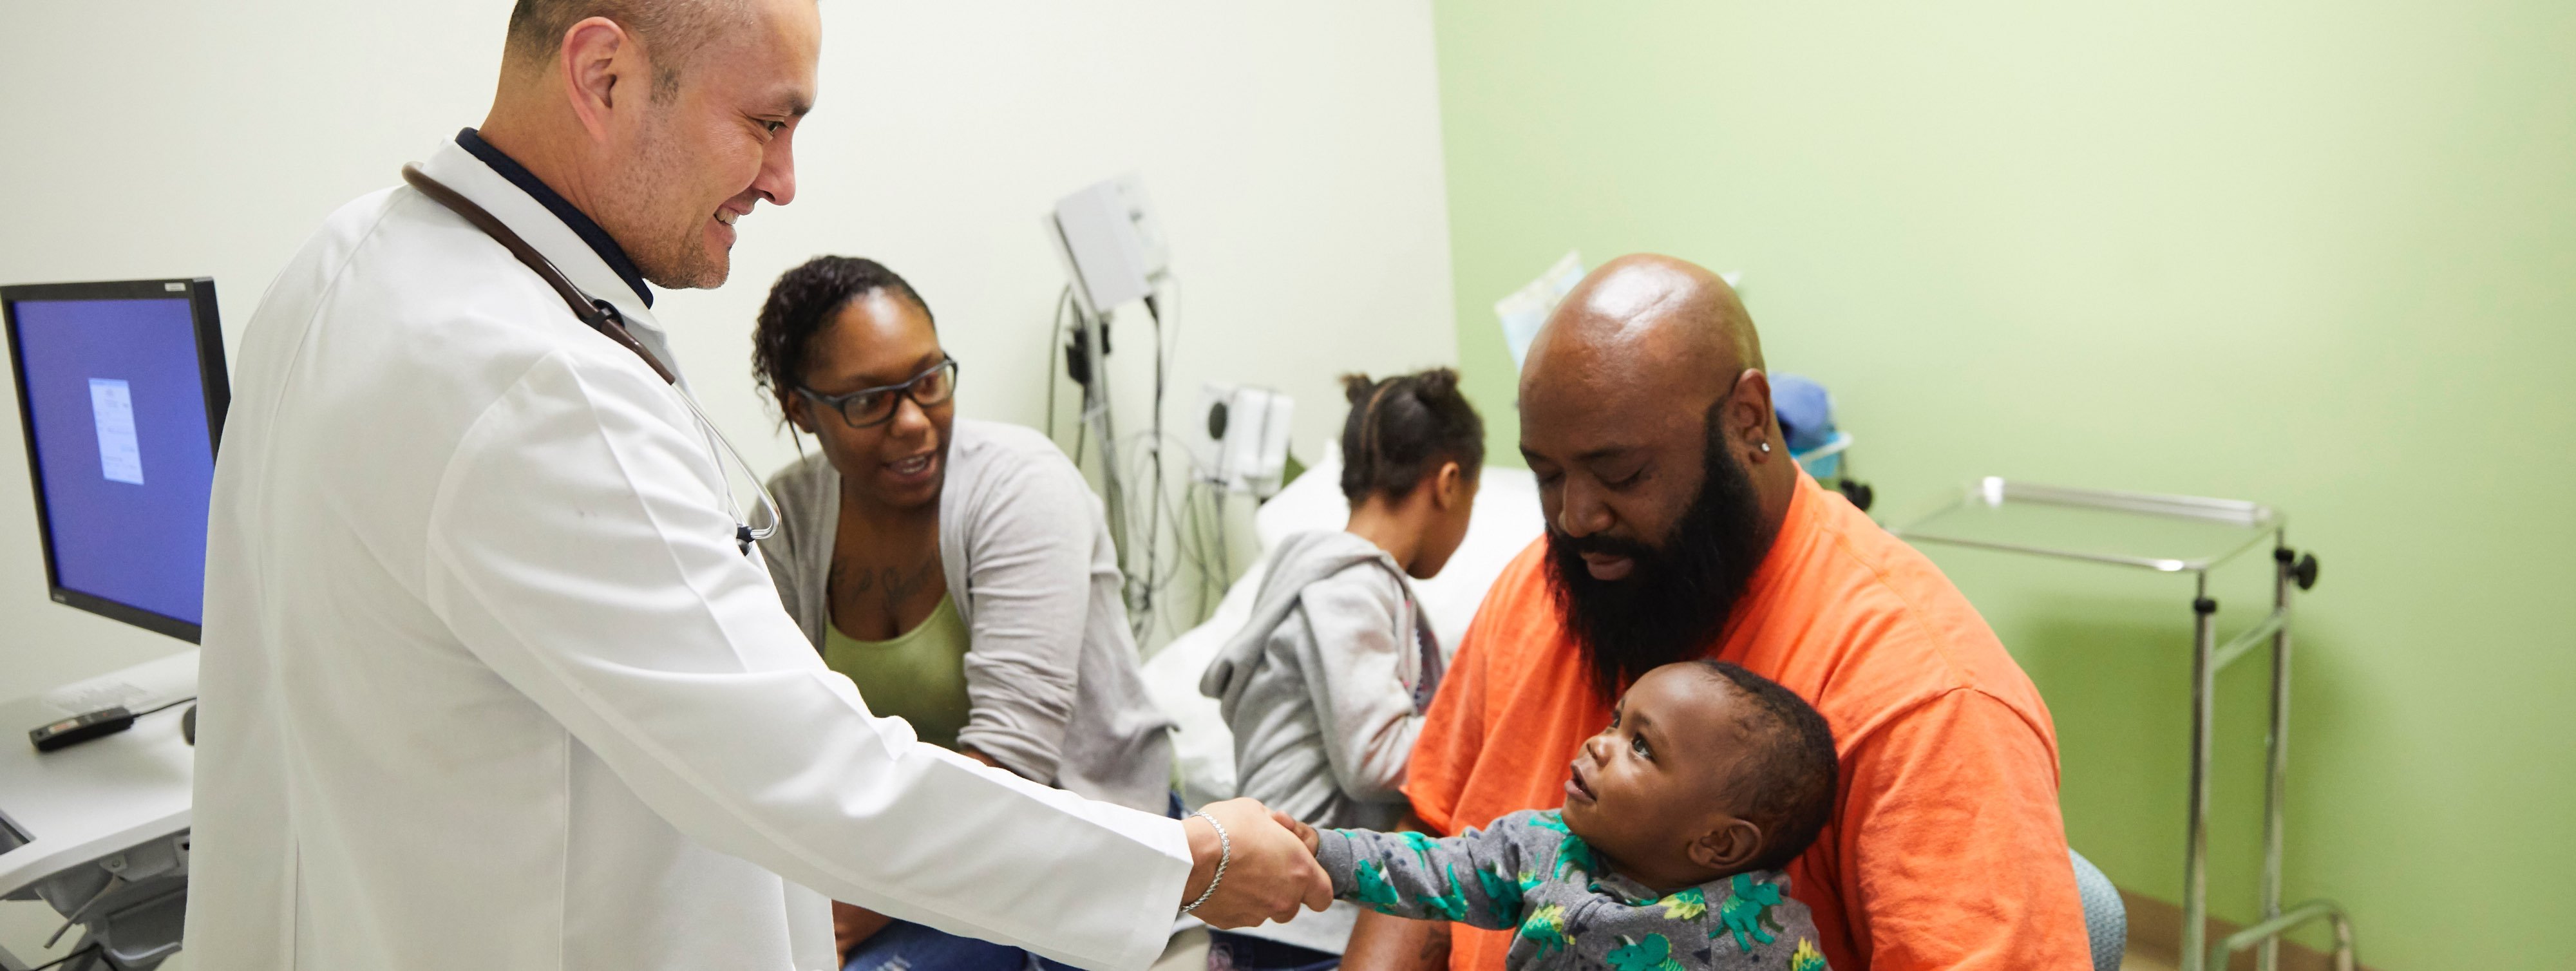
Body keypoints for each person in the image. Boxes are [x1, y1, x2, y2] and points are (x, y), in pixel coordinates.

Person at [185, 3, 1325, 970]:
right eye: (766, 123)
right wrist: (1191, 862)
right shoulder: (535, 383)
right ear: (604, 74)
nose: (782, 182)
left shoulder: (342, 267)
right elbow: (819, 776)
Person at [1341, 254, 2089, 971]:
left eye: (1621, 473)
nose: (1574, 516)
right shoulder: (1552, 580)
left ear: (1747, 418)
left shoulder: (1927, 698)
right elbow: (1435, 826)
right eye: (1547, 474)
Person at [748, 256, 1179, 970]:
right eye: (868, 402)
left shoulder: (1020, 486)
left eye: (927, 380)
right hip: (897, 860)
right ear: (802, 410)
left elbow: (1011, 762)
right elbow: (785, 735)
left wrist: (858, 902)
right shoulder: (790, 516)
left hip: (1069, 838)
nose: (914, 422)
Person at [1197, 369, 1484, 968]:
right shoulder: (1349, 587)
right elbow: (1373, 760)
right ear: (1450, 483)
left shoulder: (1345, 583)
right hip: (1299, 913)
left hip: (1291, 908)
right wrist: (1479, 724)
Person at [1295, 661, 1839, 971]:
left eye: (1642, 747)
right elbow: (1429, 869)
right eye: (1616, 722)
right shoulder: (1542, 849)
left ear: (1719, 843)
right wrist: (1319, 852)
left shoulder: (1763, 938)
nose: (1600, 744)